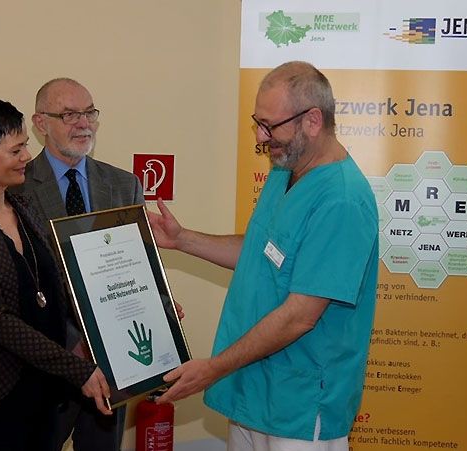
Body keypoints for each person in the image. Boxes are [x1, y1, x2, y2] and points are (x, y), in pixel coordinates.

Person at [149, 61, 379, 451]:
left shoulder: (342, 200)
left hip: (300, 409)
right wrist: (183, 239)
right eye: (258, 122)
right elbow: (260, 252)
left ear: (311, 120)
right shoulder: (285, 170)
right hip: (253, 391)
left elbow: (300, 316)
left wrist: (212, 369)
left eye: (270, 126)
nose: (260, 136)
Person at [0, 92, 112, 451]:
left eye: (24, 146)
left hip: (44, 390)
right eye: (15, 151)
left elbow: (59, 287)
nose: (27, 157)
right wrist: (77, 370)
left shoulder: (24, 206)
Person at [12, 78, 144, 451]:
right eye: (69, 114)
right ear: (40, 123)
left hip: (112, 363)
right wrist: (73, 346)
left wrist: (155, 307)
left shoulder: (124, 185)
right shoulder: (15, 190)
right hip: (46, 364)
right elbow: (19, 285)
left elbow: (133, 270)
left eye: (89, 113)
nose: (83, 123)